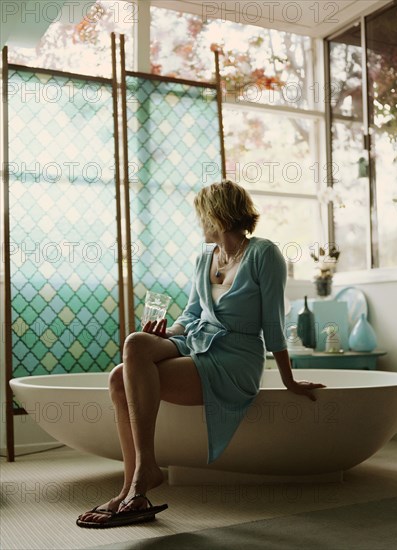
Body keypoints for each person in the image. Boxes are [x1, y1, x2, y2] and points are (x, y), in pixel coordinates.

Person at [76, 180, 325, 528]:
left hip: (235, 356)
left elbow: (272, 325)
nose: (199, 224)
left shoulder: (264, 254)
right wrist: (166, 333)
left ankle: (136, 483)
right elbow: (191, 316)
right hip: (194, 340)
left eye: (201, 216)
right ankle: (137, 478)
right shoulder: (203, 258)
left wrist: (288, 378)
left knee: (122, 378)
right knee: (134, 345)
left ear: (217, 216)